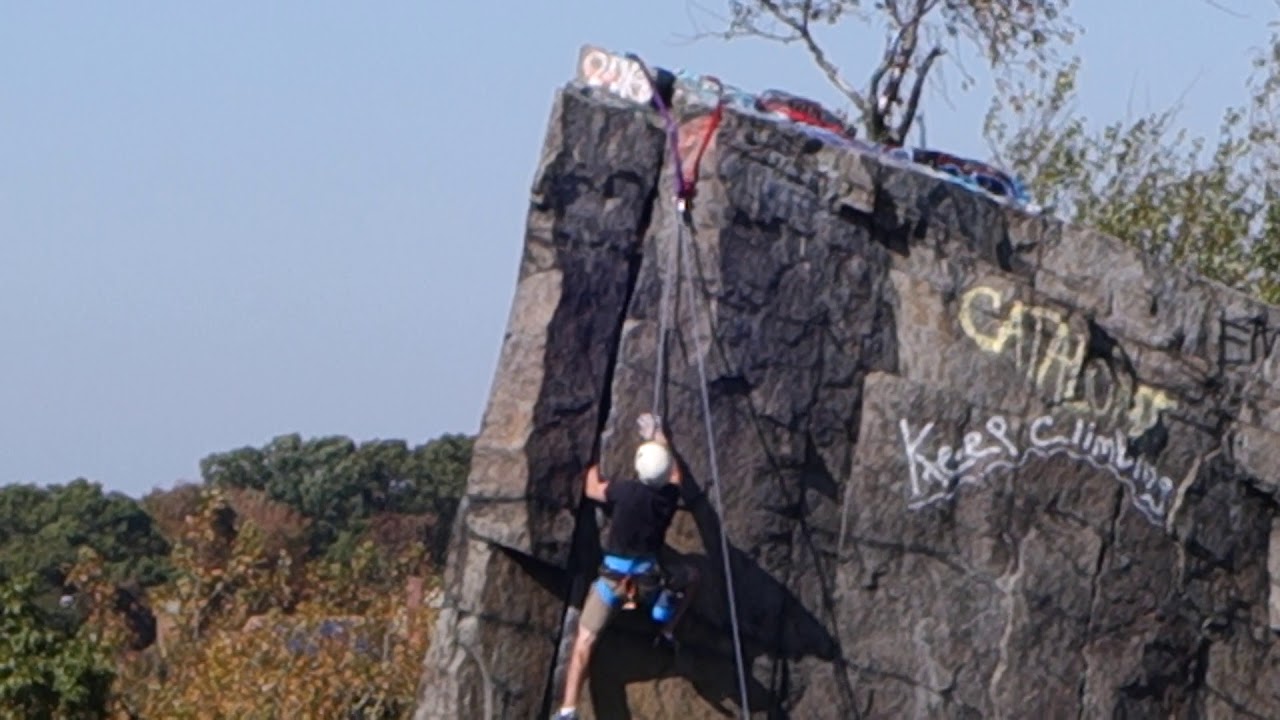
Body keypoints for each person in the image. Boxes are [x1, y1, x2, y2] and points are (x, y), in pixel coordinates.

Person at [553, 413, 699, 720]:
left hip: (611, 582)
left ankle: (568, 711)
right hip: (648, 582)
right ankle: (668, 627)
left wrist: (591, 458)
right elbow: (675, 477)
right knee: (692, 577)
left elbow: (592, 488)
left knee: (584, 642)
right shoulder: (668, 498)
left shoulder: (624, 492)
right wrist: (658, 434)